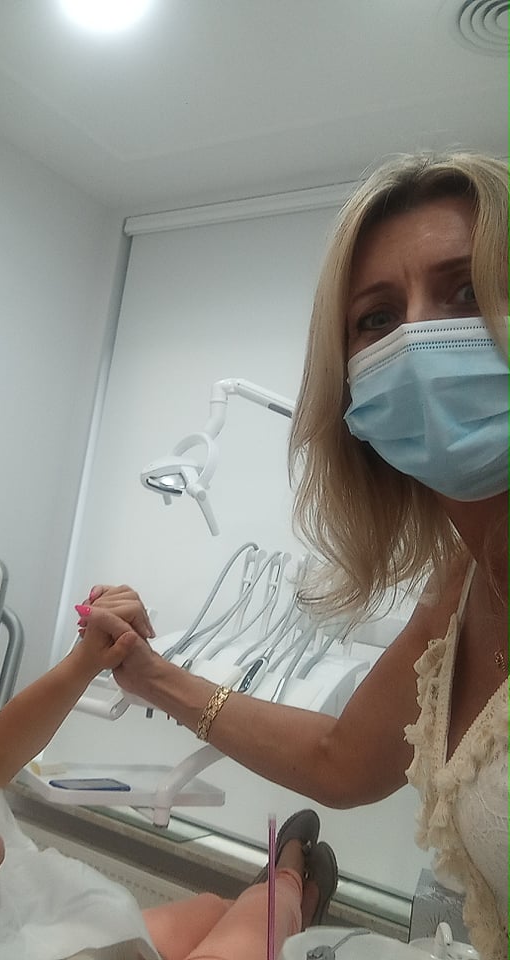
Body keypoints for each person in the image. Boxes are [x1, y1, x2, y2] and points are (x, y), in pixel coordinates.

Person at [78, 152, 508, 960]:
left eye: (468, 291)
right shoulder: (462, 584)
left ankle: (283, 888)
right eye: (377, 318)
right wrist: (147, 673)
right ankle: (283, 887)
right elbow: (343, 761)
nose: (419, 340)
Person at [0, 599, 337, 960]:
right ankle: (294, 890)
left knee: (215, 909)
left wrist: (88, 657)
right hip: (107, 944)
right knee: (261, 918)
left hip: (104, 926)